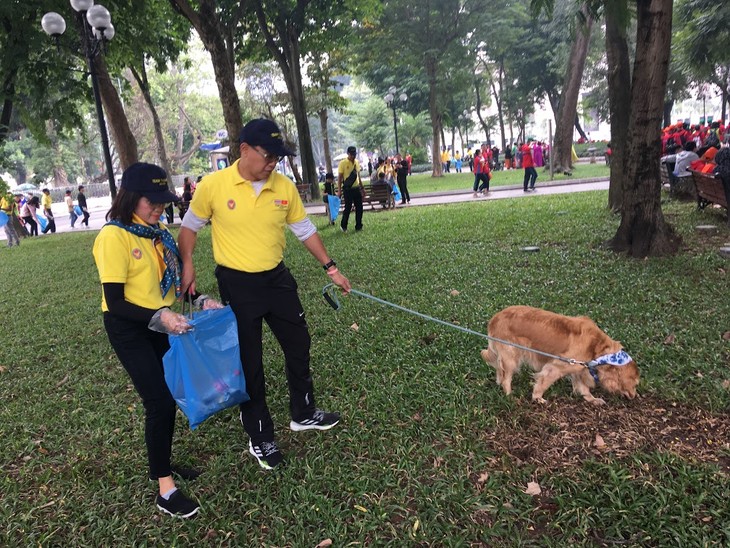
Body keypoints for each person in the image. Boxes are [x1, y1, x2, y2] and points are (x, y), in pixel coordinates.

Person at [178, 118, 351, 470]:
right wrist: (188, 264)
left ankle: (303, 412)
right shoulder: (214, 186)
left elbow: (304, 231)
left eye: (278, 157)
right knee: (250, 363)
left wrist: (331, 268)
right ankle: (260, 436)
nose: (273, 162)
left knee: (298, 344)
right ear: (244, 150)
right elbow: (189, 228)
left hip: (277, 279)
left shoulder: (283, 187)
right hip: (237, 284)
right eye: (268, 155)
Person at [93, 162, 223, 518]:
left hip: (161, 323)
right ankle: (165, 489)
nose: (159, 208)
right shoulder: (114, 236)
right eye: (151, 201)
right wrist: (159, 316)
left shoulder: (160, 232)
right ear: (131, 198)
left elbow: (175, 281)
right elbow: (117, 302)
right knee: (159, 402)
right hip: (129, 327)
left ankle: (162, 460)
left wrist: (199, 299)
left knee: (170, 394)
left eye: (162, 201)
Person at [338, 145, 364, 233]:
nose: (353, 156)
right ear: (348, 154)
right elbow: (340, 178)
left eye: (354, 154)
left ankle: (359, 225)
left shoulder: (356, 162)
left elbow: (358, 176)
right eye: (351, 154)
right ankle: (343, 225)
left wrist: (362, 188)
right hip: (348, 189)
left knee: (359, 207)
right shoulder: (343, 163)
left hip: (356, 188)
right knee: (348, 208)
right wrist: (339, 191)